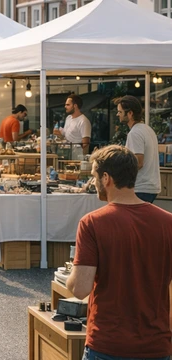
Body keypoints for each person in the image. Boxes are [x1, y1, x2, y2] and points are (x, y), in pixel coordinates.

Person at [67, 145, 172, 360]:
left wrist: (69, 277)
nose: (93, 182)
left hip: (108, 344)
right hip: (157, 345)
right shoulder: (168, 222)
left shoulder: (92, 223)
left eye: (94, 175)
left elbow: (79, 289)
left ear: (106, 178)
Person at [116, 96, 161, 203]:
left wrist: (119, 173)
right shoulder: (147, 129)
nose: (118, 114)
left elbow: (138, 162)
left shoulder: (135, 133)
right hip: (150, 186)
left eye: (120, 112)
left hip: (140, 187)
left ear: (130, 113)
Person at [55, 94, 91, 159]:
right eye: (65, 104)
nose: (65, 106)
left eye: (68, 105)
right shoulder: (68, 118)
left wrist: (76, 152)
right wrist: (59, 133)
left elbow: (86, 143)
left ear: (75, 106)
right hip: (66, 154)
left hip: (76, 157)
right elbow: (66, 134)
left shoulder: (84, 121)